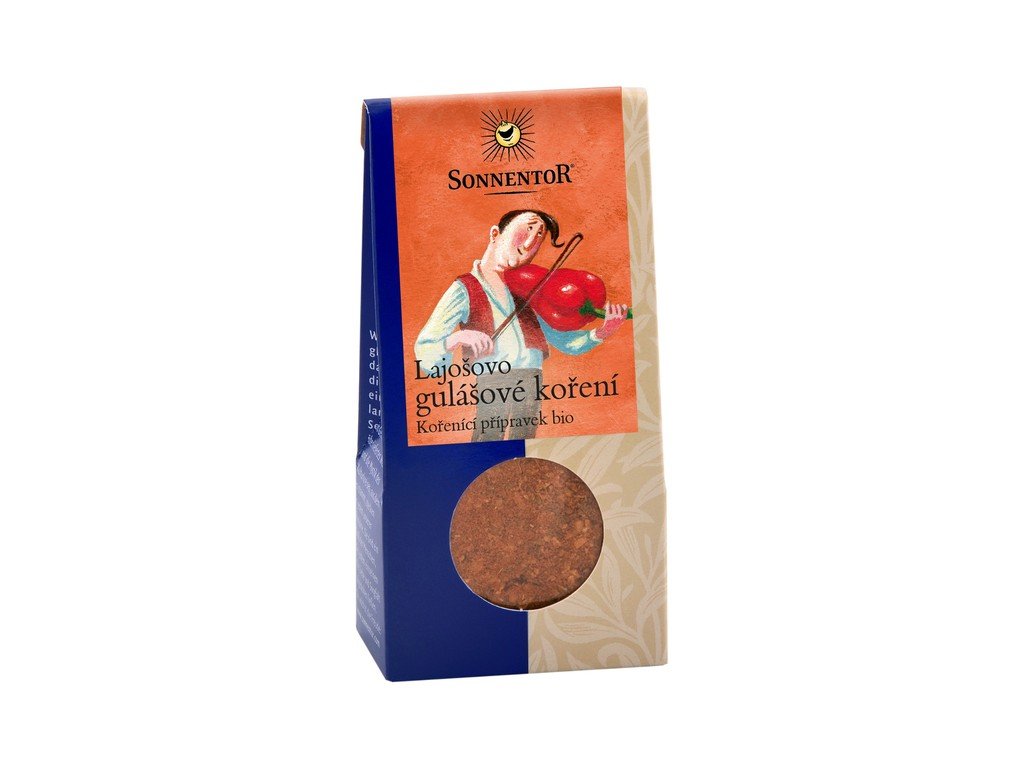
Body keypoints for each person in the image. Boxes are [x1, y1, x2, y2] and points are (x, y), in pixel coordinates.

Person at [414, 209, 628, 441]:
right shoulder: (464, 288)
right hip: (492, 380)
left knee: (527, 442)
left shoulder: (530, 287)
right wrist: (456, 338)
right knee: (487, 439)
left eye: (539, 237)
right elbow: (426, 349)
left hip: (531, 378)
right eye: (527, 230)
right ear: (495, 234)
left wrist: (601, 332)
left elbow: (560, 339)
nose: (528, 244)